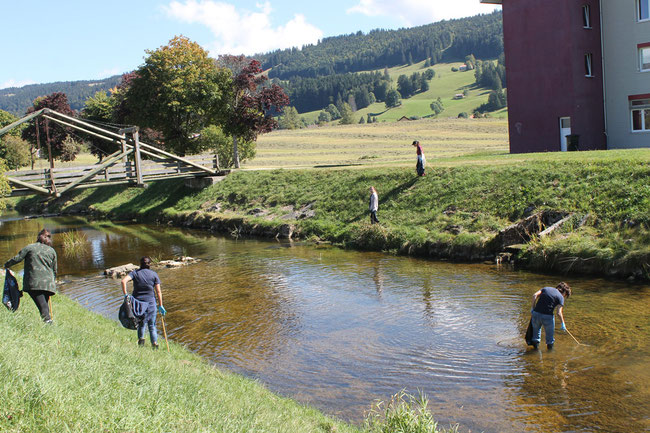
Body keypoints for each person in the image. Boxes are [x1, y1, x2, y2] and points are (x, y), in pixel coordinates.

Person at [4, 229, 57, 323]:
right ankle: (48, 323)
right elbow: (54, 270)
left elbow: (17, 258)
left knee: (43, 307)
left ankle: (48, 323)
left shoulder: (30, 247)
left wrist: (6, 265)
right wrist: (52, 282)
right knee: (43, 305)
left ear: (38, 237)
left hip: (33, 283)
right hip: (48, 285)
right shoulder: (52, 251)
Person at [121, 256, 166, 348]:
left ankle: (141, 344)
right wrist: (161, 305)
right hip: (151, 304)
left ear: (140, 264)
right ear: (149, 264)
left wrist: (126, 295)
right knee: (152, 326)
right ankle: (154, 345)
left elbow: (123, 281)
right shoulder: (154, 274)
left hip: (138, 304)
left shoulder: (135, 273)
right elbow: (158, 292)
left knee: (141, 325)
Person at [530, 282, 572, 350]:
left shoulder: (546, 288)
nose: (564, 296)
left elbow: (534, 295)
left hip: (536, 314)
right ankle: (550, 356)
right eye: (565, 295)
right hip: (547, 317)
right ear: (564, 292)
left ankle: (535, 352)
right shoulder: (560, 297)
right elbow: (559, 313)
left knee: (536, 337)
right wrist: (563, 323)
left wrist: (533, 308)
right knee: (550, 339)